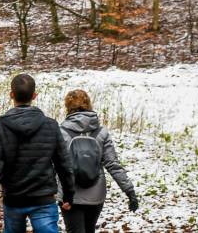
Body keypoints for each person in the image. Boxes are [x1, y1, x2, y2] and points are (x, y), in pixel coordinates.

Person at [0, 74, 75, 233]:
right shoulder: (51, 126)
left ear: (11, 95)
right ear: (34, 96)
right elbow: (63, 164)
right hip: (43, 197)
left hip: (13, 197)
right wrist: (69, 194)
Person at [59, 90, 139, 233]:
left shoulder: (61, 131)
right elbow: (113, 164)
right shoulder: (101, 132)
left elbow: (54, 164)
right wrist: (129, 191)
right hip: (95, 193)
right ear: (89, 104)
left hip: (69, 194)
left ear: (68, 107)